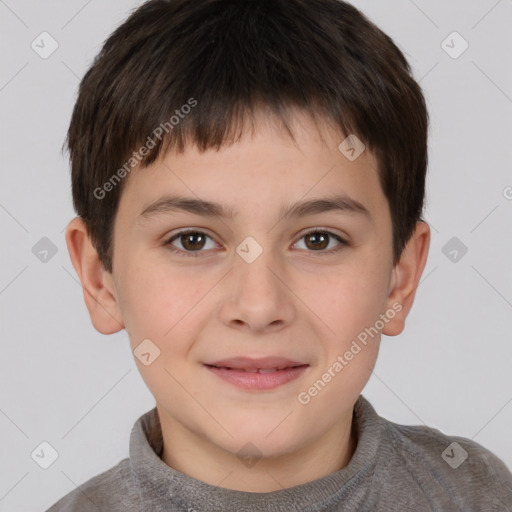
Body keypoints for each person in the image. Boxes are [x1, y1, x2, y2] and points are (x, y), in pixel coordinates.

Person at [48, 0, 512, 510]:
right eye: (192, 240)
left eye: (318, 240)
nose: (259, 305)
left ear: (399, 279)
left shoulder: (475, 493)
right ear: (100, 279)